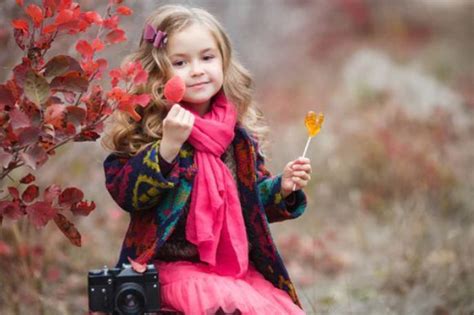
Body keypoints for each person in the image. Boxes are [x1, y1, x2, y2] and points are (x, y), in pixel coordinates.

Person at [102, 4, 312, 315]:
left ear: (224, 62)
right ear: (159, 72)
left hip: (231, 270)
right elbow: (127, 194)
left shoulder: (237, 139)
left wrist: (281, 188)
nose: (197, 70)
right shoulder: (150, 131)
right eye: (180, 62)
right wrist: (166, 149)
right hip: (170, 270)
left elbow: (250, 206)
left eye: (207, 57)